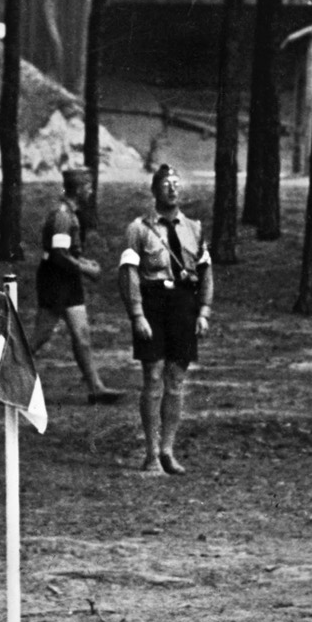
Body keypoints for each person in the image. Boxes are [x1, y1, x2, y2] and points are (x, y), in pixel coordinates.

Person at [118, 165, 213, 476]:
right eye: (166, 184)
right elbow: (129, 274)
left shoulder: (194, 228)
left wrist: (203, 311)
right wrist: (137, 314)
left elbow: (204, 271)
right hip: (153, 304)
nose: (173, 189)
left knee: (176, 380)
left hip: (183, 306)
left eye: (176, 183)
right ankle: (150, 453)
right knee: (153, 377)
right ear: (154, 190)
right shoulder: (139, 229)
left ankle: (168, 450)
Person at [32, 169, 122, 404]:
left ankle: (96, 388)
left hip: (67, 279)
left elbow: (66, 254)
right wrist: (85, 268)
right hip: (56, 280)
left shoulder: (71, 214)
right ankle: (3, 374)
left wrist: (82, 262)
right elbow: (58, 255)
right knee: (41, 335)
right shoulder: (62, 216)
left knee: (82, 336)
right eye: (89, 187)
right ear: (80, 188)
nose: (91, 191)